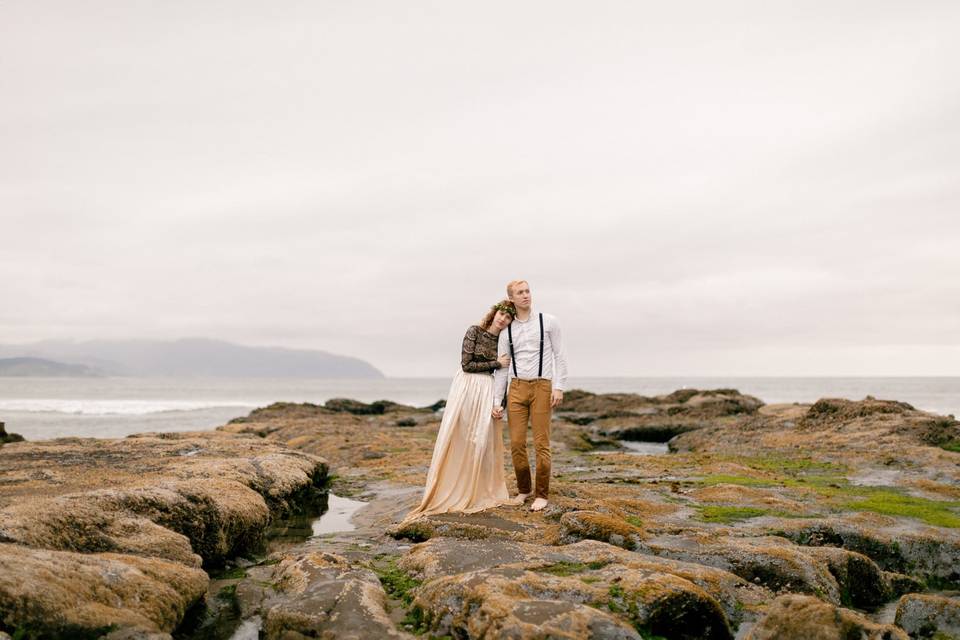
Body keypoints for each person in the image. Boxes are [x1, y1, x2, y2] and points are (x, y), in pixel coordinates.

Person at [403, 300, 520, 521]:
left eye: (508, 317)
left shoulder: (504, 341)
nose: (503, 318)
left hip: (487, 388)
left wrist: (500, 404)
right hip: (466, 386)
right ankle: (452, 486)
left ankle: (478, 489)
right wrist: (496, 363)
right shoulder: (474, 331)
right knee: (460, 434)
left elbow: (504, 377)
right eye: (501, 313)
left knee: (483, 440)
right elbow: (467, 364)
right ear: (494, 313)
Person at [493, 280, 568, 512]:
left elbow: (559, 355)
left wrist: (559, 386)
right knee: (516, 444)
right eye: (520, 293)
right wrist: (497, 401)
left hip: (542, 387)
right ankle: (524, 490)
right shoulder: (507, 330)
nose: (526, 295)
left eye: (527, 291)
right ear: (512, 298)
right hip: (515, 388)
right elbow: (503, 367)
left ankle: (542, 494)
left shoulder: (549, 321)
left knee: (541, 443)